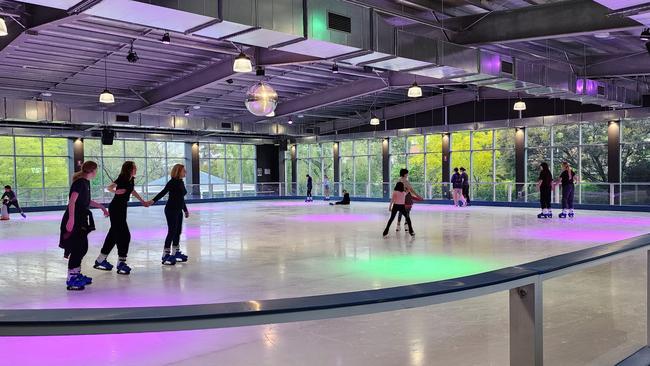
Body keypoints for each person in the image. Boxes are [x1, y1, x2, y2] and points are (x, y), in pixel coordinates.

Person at [59, 161, 109, 291]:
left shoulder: (85, 183)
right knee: (78, 248)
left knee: (82, 247)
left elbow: (86, 201)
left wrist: (102, 207)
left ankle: (76, 273)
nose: (96, 173)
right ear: (92, 171)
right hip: (75, 219)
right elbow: (72, 202)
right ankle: (71, 278)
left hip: (81, 219)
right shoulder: (80, 182)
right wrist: (71, 219)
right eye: (96, 170)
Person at [94, 161, 148, 275]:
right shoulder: (122, 177)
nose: (136, 169)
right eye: (134, 168)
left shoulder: (130, 179)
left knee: (114, 234)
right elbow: (109, 187)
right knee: (124, 235)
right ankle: (120, 262)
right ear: (129, 169)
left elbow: (131, 190)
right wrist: (116, 191)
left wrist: (142, 201)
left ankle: (101, 259)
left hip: (122, 208)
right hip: (116, 208)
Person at [147, 164, 190, 265]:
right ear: (178, 171)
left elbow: (181, 198)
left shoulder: (180, 182)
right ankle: (165, 255)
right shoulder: (172, 182)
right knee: (172, 231)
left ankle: (175, 252)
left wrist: (185, 210)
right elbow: (163, 192)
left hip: (178, 210)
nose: (185, 172)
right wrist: (153, 201)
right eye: (184, 171)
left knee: (178, 231)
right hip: (171, 210)